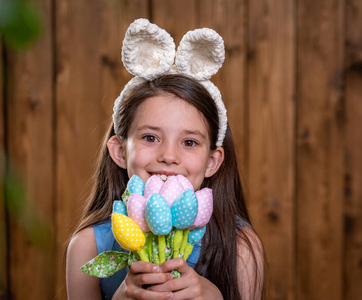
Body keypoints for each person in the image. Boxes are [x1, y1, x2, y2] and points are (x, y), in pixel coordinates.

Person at [66, 19, 264, 300]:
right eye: (150, 138)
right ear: (120, 152)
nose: (169, 156)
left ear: (212, 161)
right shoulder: (86, 247)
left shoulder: (241, 247)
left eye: (189, 142)